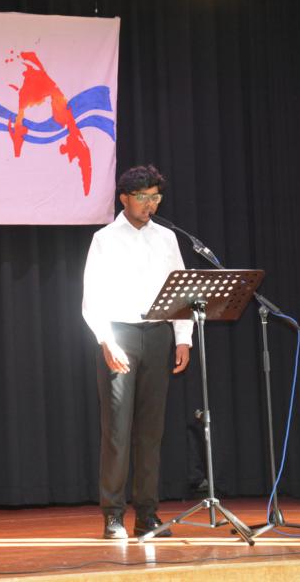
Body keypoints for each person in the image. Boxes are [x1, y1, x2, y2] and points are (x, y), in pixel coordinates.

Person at [81, 164, 193, 540]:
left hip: (158, 334)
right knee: (117, 430)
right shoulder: (105, 239)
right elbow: (92, 296)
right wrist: (107, 340)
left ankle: (147, 514)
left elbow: (181, 291)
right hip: (121, 335)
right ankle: (113, 515)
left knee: (151, 432)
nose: (150, 204)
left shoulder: (167, 238)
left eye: (155, 197)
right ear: (124, 199)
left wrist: (183, 338)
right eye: (143, 197)